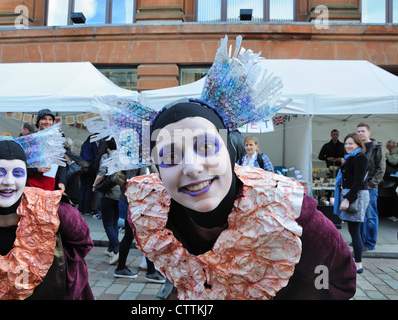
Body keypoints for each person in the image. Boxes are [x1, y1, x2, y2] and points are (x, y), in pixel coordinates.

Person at [84, 35, 357, 300]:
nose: (191, 167)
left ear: (230, 151)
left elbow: (334, 277)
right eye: (169, 156)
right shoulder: (148, 214)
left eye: (205, 147)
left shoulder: (289, 211)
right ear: (156, 170)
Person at [0, 126, 94, 300]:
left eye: (18, 172)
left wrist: (59, 269)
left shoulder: (55, 210)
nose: (9, 182)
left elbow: (83, 243)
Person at [113, 167, 165, 284]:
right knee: (145, 236)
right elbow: (135, 182)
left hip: (136, 204)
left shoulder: (138, 159)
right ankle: (151, 272)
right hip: (136, 205)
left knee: (131, 236)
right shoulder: (136, 161)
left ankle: (121, 268)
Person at [334, 133, 370, 273]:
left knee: (355, 231)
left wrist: (347, 199)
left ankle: (358, 264)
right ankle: (356, 262)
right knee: (356, 230)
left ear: (358, 144)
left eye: (351, 143)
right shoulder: (352, 157)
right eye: (346, 143)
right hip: (354, 194)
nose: (348, 146)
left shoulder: (360, 157)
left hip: (356, 195)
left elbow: (359, 181)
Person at [357, 123, 385, 250]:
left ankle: (370, 243)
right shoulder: (358, 148)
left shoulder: (376, 147)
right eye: (358, 131)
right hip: (358, 187)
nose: (360, 133)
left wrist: (372, 184)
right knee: (360, 216)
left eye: (363, 131)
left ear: (369, 133)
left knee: (370, 216)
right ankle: (361, 240)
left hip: (370, 187)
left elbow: (381, 168)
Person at [92, 138, 120, 265]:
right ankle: (110, 248)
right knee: (114, 221)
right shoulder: (122, 155)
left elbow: (101, 175)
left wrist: (94, 186)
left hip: (108, 193)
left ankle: (116, 249)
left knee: (108, 224)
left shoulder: (106, 156)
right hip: (120, 194)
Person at [27, 109, 67, 193]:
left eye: (50, 119)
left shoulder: (56, 140)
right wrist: (37, 169)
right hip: (31, 187)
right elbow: (21, 163)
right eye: (44, 119)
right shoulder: (29, 140)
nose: (47, 122)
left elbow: (62, 163)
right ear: (38, 122)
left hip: (50, 188)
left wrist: (62, 181)